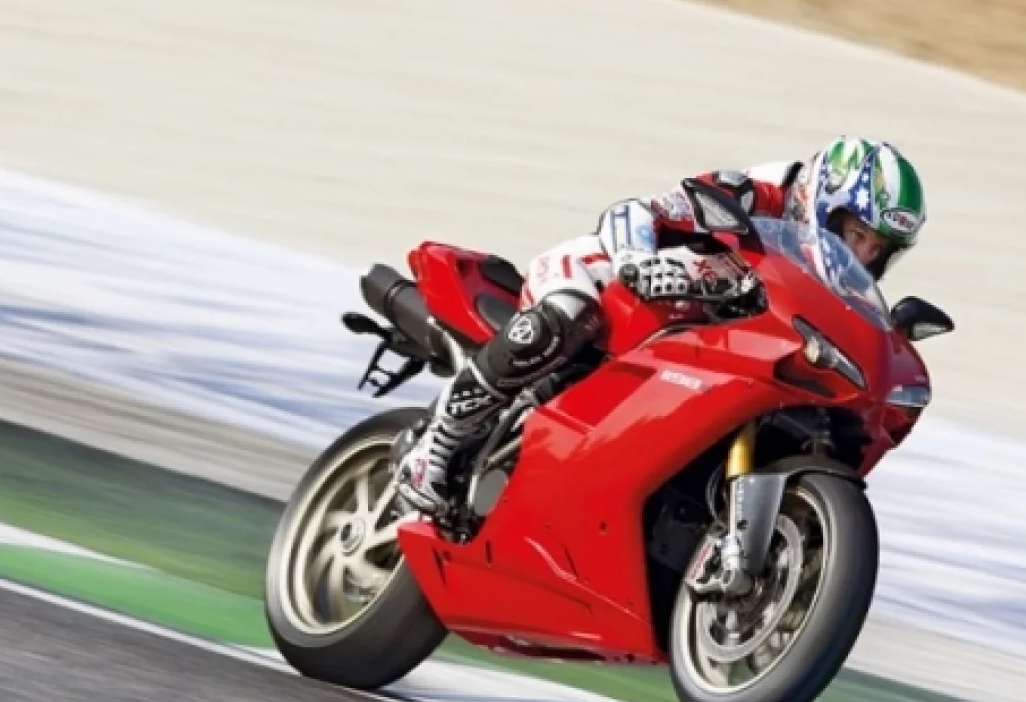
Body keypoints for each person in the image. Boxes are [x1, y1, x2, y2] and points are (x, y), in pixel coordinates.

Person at [395, 135, 928, 516]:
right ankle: (437, 445)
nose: (861, 252)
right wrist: (636, 261)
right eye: (855, 233)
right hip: (617, 279)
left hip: (691, 332)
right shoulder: (755, 192)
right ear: (825, 199)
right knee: (566, 318)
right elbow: (638, 211)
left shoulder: (831, 279)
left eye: (876, 248)